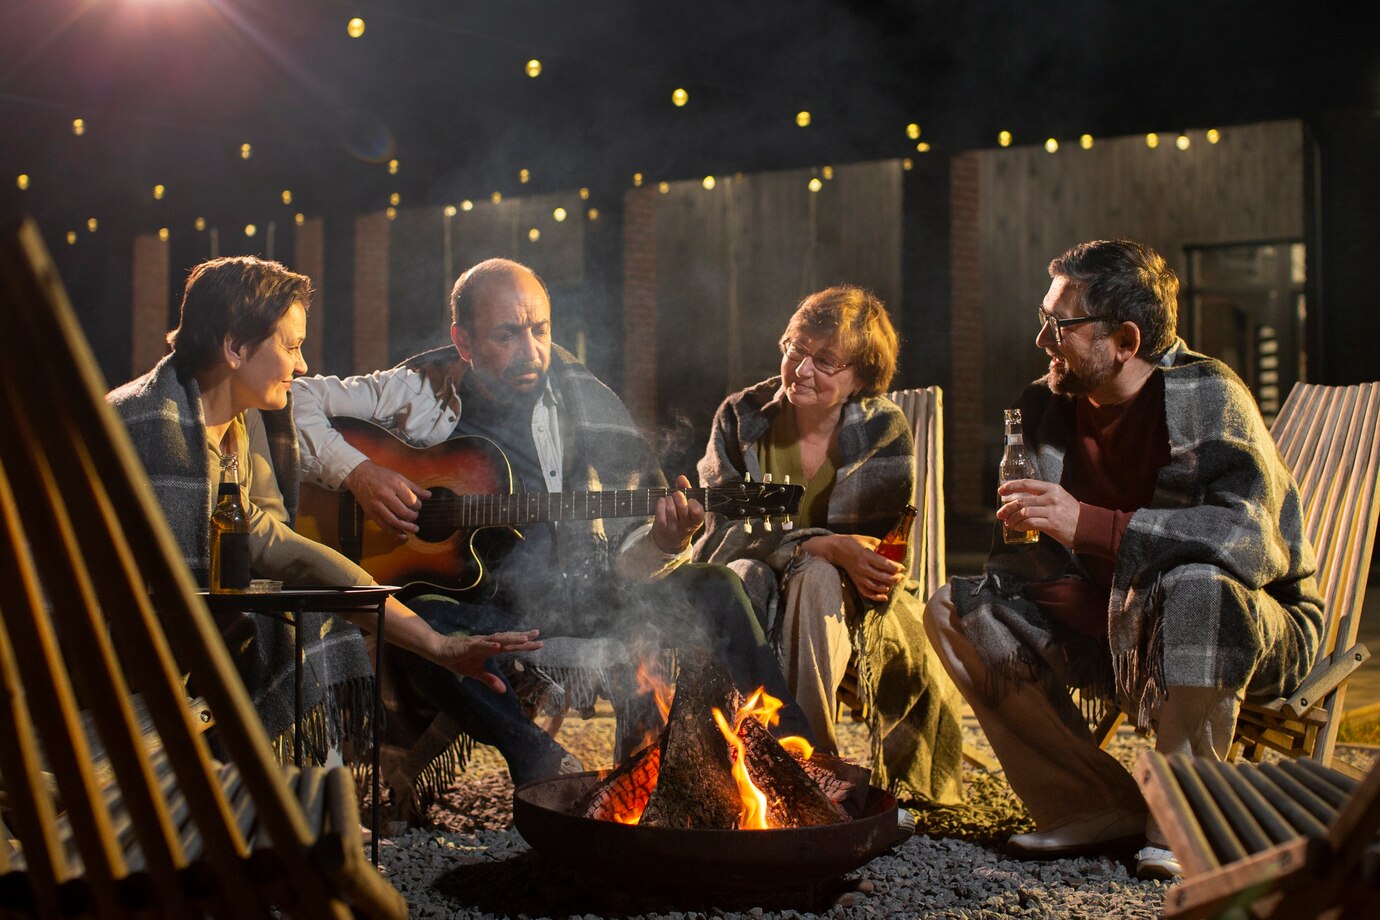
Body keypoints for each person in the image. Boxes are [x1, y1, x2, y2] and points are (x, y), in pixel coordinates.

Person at [292, 257, 813, 804]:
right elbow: (295, 399)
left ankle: (795, 755)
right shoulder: (419, 389)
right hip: (466, 605)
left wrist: (663, 540)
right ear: (462, 341)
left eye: (540, 329)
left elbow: (629, 546)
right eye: (507, 335)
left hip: (571, 588)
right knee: (404, 621)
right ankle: (541, 764)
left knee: (716, 586)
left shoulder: (579, 398)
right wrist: (359, 473)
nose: (532, 351)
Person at [923, 240, 1323, 878]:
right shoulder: (1046, 404)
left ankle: (1180, 818)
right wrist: (1043, 571)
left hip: (1243, 626)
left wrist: (1089, 526)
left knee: (1199, 586)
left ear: (1126, 339)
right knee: (957, 607)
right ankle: (1092, 804)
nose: (1041, 339)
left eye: (1061, 325)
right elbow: (1033, 556)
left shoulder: (1207, 392)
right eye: (1043, 317)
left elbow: (1244, 536)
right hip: (1115, 626)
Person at [108, 255, 543, 768]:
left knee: (301, 618)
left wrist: (436, 645)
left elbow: (281, 546)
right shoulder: (146, 433)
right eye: (291, 346)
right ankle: (289, 805)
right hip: (89, 651)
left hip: (141, 634)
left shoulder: (237, 432)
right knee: (287, 626)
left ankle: (304, 802)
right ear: (234, 348)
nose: (302, 365)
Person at [693, 285, 964, 806]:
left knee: (817, 582)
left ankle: (804, 769)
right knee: (759, 576)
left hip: (847, 602)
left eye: (826, 361)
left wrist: (831, 556)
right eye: (796, 348)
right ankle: (815, 771)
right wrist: (821, 545)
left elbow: (881, 549)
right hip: (750, 591)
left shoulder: (882, 427)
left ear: (860, 375)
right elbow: (722, 534)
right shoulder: (742, 417)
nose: (801, 369)